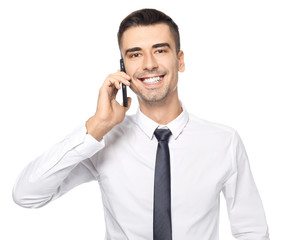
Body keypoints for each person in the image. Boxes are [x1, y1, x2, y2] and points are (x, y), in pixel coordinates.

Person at [13, 8, 270, 240]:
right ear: (123, 68)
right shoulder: (104, 141)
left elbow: (252, 230)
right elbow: (27, 195)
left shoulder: (223, 141)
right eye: (135, 54)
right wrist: (96, 126)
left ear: (179, 60)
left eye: (160, 50)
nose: (149, 64)